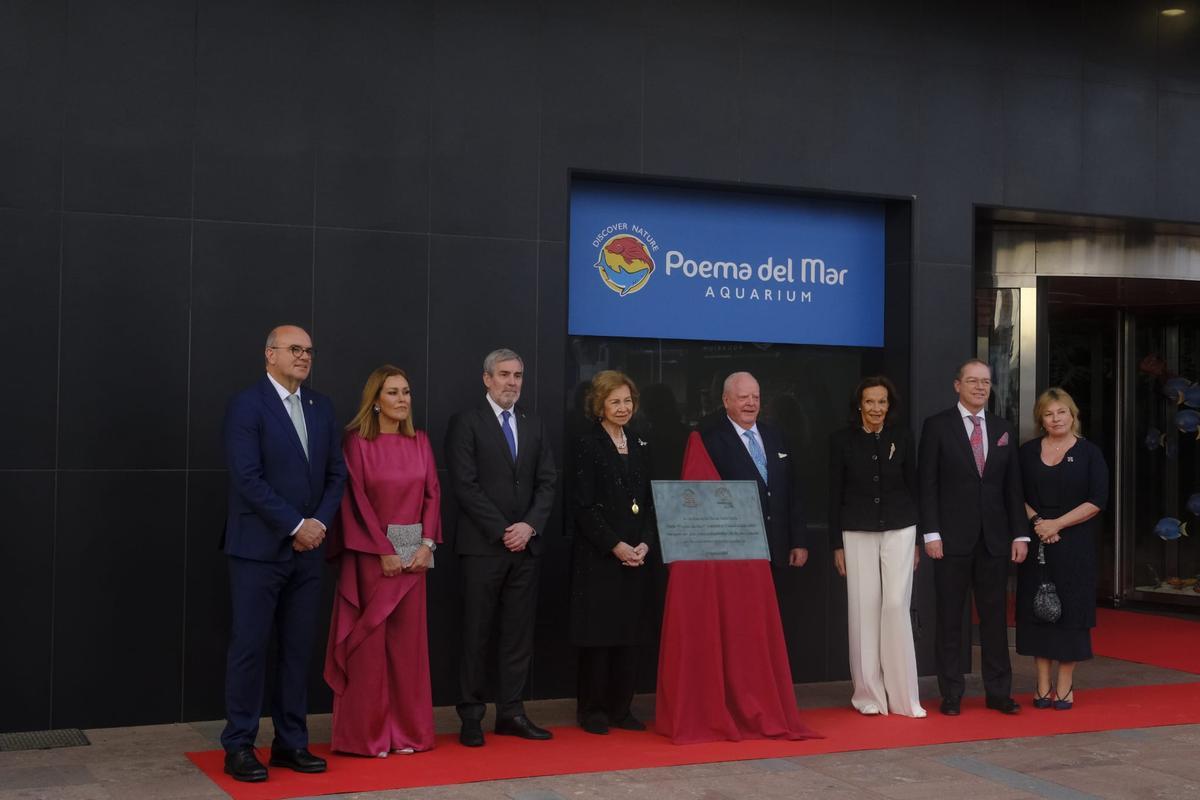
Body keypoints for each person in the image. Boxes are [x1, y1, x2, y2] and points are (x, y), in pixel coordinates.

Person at [220, 325, 347, 783]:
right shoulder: (247, 405)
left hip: (308, 553)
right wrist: (296, 524)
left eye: (309, 350)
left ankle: (291, 743)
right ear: (269, 354)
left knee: (297, 651)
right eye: (294, 349)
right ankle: (239, 745)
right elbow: (247, 478)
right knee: (250, 650)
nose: (304, 357)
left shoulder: (321, 406)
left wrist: (317, 526)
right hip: (258, 550)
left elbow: (337, 475)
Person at [324, 366, 441, 756]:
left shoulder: (421, 441)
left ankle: (407, 733)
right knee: (369, 651)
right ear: (375, 401)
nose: (402, 399)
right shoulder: (355, 443)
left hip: (414, 556)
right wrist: (383, 551)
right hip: (371, 559)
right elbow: (352, 501)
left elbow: (432, 495)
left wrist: (426, 545)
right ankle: (368, 737)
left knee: (408, 651)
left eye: (406, 392)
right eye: (393, 393)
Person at [445, 348, 558, 747]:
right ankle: (471, 716)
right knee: (476, 634)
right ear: (487, 378)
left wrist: (528, 527)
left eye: (519, 375)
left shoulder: (534, 424)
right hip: (482, 547)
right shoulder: (467, 423)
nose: (513, 382)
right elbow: (465, 485)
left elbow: (547, 482)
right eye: (505, 375)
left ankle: (510, 712)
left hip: (525, 548)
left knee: (517, 636)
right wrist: (502, 529)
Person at [918, 358, 1028, 717]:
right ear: (957, 385)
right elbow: (927, 486)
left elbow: (1013, 488)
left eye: (985, 381)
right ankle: (951, 693)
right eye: (972, 381)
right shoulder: (937, 426)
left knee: (995, 621)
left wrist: (1020, 535)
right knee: (950, 620)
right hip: (949, 541)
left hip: (995, 541)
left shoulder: (1002, 427)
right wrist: (931, 533)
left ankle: (999, 693)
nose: (980, 387)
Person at [829, 376, 925, 718]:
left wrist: (918, 539)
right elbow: (833, 494)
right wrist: (835, 544)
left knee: (895, 605)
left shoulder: (903, 436)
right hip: (856, 530)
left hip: (901, 528)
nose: (876, 408)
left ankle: (904, 697)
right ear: (859, 405)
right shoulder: (842, 441)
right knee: (864, 608)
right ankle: (868, 694)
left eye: (882, 402)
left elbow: (914, 485)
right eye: (870, 402)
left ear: (890, 405)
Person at [570, 370, 657, 735]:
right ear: (599, 406)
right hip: (600, 557)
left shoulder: (639, 443)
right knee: (599, 637)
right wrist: (616, 546)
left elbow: (651, 502)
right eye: (615, 401)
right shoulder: (587, 445)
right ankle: (593, 710)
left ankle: (623, 708)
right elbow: (583, 507)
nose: (623, 408)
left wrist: (645, 543)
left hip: (636, 555)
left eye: (628, 401)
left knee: (629, 636)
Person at [1016, 388, 1108, 711]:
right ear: (1040, 419)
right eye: (1048, 414)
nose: (1056, 419)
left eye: (1062, 413)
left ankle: (1065, 685)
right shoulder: (1026, 452)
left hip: (1075, 546)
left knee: (1071, 612)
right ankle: (1041, 683)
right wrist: (1040, 522)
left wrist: (1058, 524)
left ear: (1073, 415)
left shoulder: (1089, 453)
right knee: (1038, 610)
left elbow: (1097, 500)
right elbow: (1015, 494)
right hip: (1038, 541)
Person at [700, 371, 808, 570]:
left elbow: (793, 491)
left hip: (780, 550)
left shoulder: (776, 435)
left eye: (755, 397)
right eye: (743, 397)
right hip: (737, 553)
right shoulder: (711, 442)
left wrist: (799, 541)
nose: (751, 403)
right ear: (726, 400)